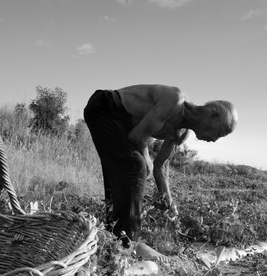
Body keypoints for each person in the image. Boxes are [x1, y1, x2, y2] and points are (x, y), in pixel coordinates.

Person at [83, 84, 238, 256]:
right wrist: (146, 160)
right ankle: (126, 247)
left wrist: (169, 202)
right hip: (105, 107)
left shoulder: (182, 132)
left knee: (121, 173)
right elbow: (137, 138)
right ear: (213, 115)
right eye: (221, 132)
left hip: (122, 124)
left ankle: (110, 241)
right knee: (135, 167)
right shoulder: (174, 100)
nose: (216, 140)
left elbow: (160, 167)